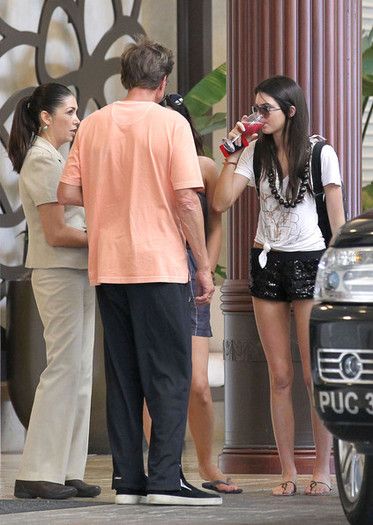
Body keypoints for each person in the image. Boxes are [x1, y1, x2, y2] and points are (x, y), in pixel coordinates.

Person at [57, 36, 221, 506]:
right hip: (160, 264)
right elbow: (189, 199)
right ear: (163, 81)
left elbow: (68, 193)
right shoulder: (171, 124)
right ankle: (166, 480)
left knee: (124, 374)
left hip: (108, 265)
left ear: (124, 78)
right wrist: (204, 268)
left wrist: (113, 194)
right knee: (168, 374)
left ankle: (128, 482)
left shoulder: (92, 125)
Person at [213, 75, 346, 496]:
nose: (256, 116)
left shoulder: (321, 153)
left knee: (314, 375)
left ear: (289, 111)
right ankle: (287, 471)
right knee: (280, 376)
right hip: (266, 262)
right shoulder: (255, 151)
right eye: (254, 108)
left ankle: (322, 470)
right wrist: (232, 151)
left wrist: (338, 279)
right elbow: (219, 202)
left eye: (264, 109)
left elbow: (339, 224)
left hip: (311, 264)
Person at [142, 93, 241, 495]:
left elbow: (215, 224)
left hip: (192, 270)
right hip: (152, 269)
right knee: (155, 381)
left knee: (198, 384)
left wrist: (206, 269)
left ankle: (205, 464)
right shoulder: (147, 168)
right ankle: (162, 467)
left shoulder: (203, 167)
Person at [7, 83, 100, 500]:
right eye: (70, 111)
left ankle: (65, 469)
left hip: (77, 272)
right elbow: (58, 233)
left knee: (79, 372)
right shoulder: (43, 161)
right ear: (47, 117)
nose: (77, 119)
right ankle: (37, 471)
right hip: (57, 272)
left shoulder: (57, 158)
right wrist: (106, 237)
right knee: (63, 369)